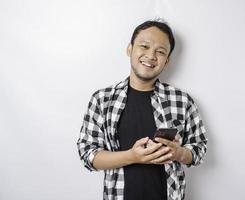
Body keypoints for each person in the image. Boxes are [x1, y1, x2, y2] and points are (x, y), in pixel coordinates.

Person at [77, 19, 208, 200]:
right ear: (130, 49)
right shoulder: (102, 99)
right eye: (144, 46)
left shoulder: (183, 101)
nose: (151, 56)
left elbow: (199, 149)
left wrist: (179, 153)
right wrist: (132, 156)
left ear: (167, 61)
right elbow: (88, 155)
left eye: (160, 52)